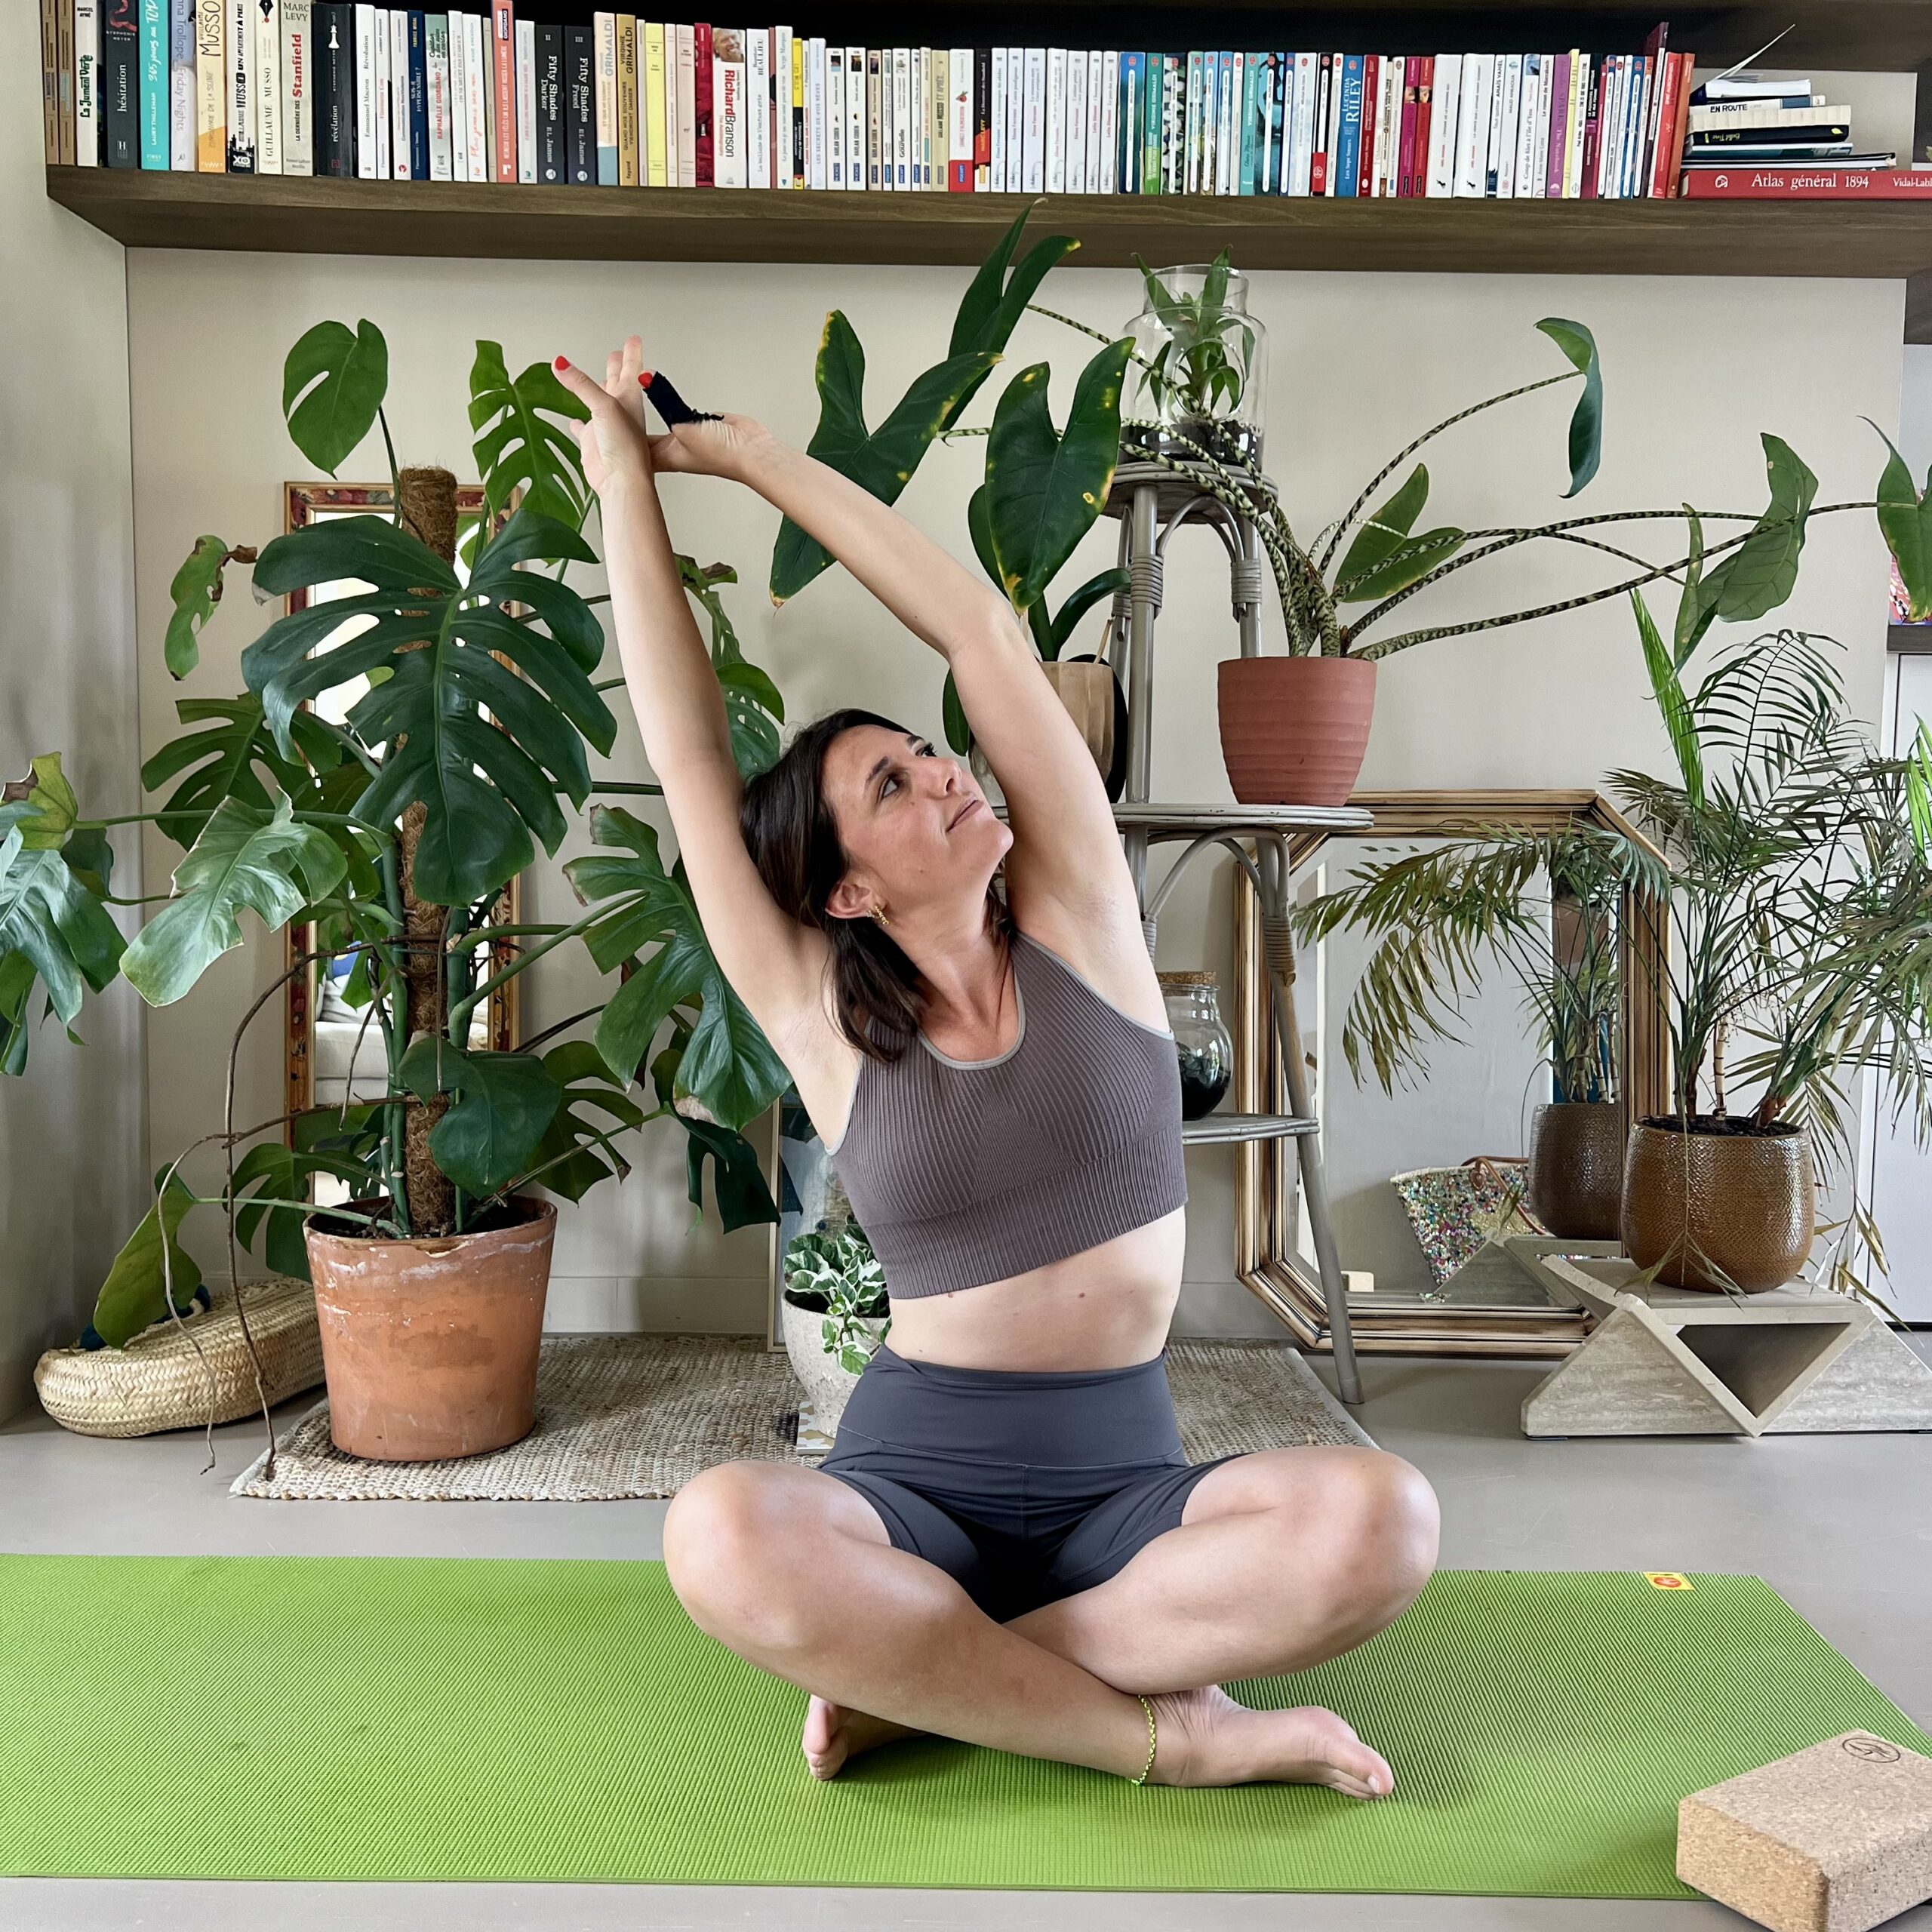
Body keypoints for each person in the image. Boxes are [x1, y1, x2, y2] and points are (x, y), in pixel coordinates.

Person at [552, 337, 1440, 1796]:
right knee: (718, 1534)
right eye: (892, 787)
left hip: (1126, 1491)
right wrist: (623, 483)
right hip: (911, 1485)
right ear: (847, 890)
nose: (946, 770)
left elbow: (976, 629)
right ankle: (1164, 1734)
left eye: (926, 751)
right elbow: (691, 754)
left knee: (1384, 1521)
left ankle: (938, 1678)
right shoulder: (819, 1014)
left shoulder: (1086, 920)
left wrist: (755, 458)